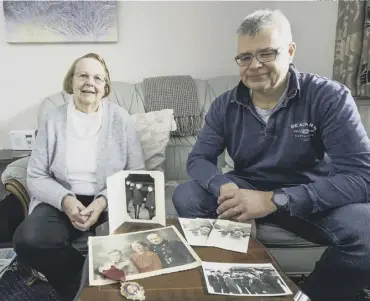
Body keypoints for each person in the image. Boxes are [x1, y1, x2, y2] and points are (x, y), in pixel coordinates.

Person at [172, 9, 370, 301]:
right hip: (247, 190)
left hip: (310, 200)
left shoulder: (329, 97)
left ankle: (310, 295)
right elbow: (198, 160)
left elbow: (361, 177)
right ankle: (237, 280)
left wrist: (274, 200)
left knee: (366, 228)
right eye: (245, 57)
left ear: (290, 51)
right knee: (186, 194)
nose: (255, 65)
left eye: (266, 54)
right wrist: (225, 187)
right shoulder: (224, 105)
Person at [13, 53, 145, 301]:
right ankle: (86, 290)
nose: (90, 82)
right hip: (61, 199)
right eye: (83, 75)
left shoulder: (120, 119)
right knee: (26, 240)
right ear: (71, 81)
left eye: (97, 78)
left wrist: (103, 200)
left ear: (105, 86)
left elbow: (136, 171)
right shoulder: (53, 119)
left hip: (109, 198)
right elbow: (36, 175)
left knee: (132, 244)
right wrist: (66, 200)